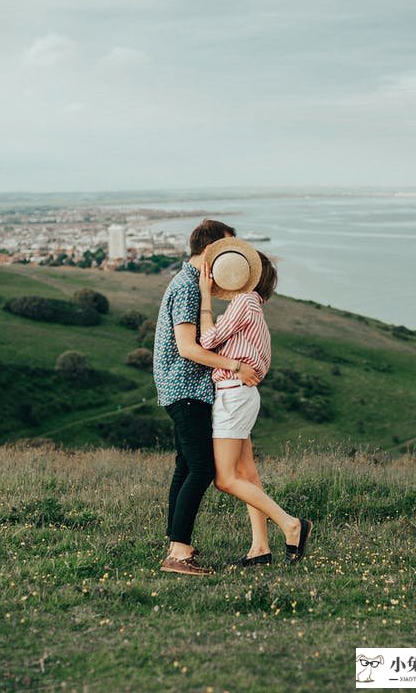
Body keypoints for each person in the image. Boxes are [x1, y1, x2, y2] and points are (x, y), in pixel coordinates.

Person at [153, 220, 260, 576]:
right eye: (229, 250)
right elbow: (187, 347)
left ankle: (176, 543)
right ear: (212, 251)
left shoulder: (190, 284)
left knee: (185, 466)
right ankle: (179, 553)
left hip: (182, 389)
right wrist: (235, 366)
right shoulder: (187, 287)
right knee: (201, 468)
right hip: (186, 388)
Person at [198, 241, 313, 566]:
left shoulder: (245, 302)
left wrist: (206, 296)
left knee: (225, 479)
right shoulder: (252, 307)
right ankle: (260, 547)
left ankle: (291, 524)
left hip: (233, 393)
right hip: (238, 393)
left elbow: (206, 342)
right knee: (247, 475)